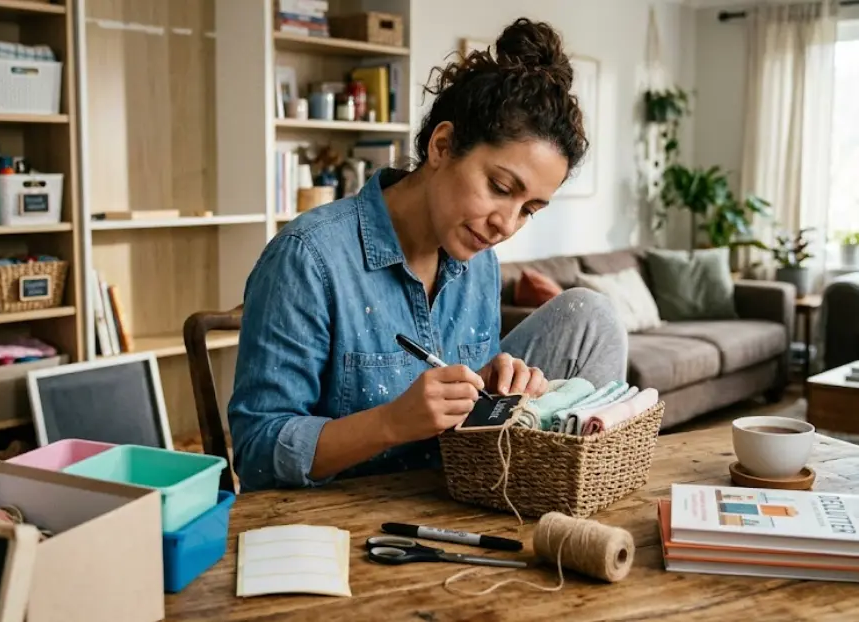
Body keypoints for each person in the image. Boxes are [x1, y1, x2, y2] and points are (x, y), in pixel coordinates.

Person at [227, 18, 628, 492]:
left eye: (529, 210)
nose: (506, 225)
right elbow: (256, 452)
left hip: (455, 493)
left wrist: (493, 381)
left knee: (593, 315)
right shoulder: (308, 258)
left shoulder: (478, 260)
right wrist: (391, 423)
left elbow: (464, 407)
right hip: (349, 516)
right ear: (442, 146)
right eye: (500, 188)